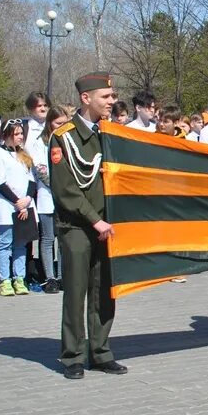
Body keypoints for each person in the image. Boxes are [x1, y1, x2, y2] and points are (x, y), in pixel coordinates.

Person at [50, 72, 124, 379]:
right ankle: (73, 356)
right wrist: (96, 221)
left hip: (107, 226)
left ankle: (101, 350)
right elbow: (65, 189)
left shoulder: (110, 133)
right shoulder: (63, 137)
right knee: (77, 291)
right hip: (78, 226)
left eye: (112, 96)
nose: (112, 101)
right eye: (106, 97)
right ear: (86, 98)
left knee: (104, 291)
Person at [0, 121, 36, 296]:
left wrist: (27, 200)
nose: (20, 137)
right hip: (7, 206)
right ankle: (4, 280)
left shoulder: (24, 155)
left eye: (21, 134)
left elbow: (32, 180)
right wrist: (17, 202)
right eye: (16, 134)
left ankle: (19, 278)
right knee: (4, 243)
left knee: (20, 244)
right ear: (7, 135)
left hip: (25, 206)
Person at [28, 106, 69, 293]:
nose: (61, 126)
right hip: (47, 195)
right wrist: (57, 185)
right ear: (50, 122)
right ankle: (50, 277)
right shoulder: (40, 142)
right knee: (47, 238)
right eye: (58, 123)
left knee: (62, 238)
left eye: (65, 123)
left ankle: (62, 276)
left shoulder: (67, 140)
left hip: (65, 197)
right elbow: (40, 169)